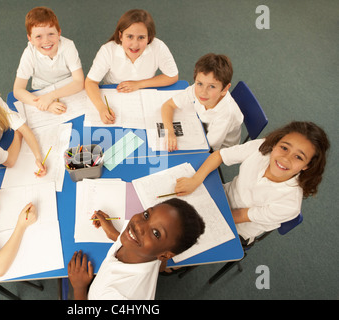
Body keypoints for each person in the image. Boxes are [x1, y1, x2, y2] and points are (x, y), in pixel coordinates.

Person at [174, 121, 329, 244]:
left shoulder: (289, 205)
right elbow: (220, 155)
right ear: (275, 144)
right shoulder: (262, 148)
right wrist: (195, 180)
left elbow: (240, 215)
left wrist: (200, 216)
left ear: (307, 165)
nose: (285, 158)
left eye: (299, 157)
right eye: (284, 148)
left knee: (177, 241)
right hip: (221, 195)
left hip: (237, 227)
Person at [68, 198, 205, 299]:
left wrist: (79, 287)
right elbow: (160, 267)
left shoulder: (116, 295)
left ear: (164, 255)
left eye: (156, 233)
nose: (138, 225)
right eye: (147, 215)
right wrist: (113, 233)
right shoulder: (153, 254)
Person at [85, 9, 178, 124]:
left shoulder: (158, 47)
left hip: (145, 93)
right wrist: (101, 108)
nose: (135, 44)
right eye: (129, 36)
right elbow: (90, 82)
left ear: (149, 38)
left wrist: (139, 84)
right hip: (114, 93)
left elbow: (172, 75)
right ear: (120, 36)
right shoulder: (108, 50)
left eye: (141, 37)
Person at [161, 53, 243, 151]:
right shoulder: (197, 90)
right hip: (201, 126)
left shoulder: (226, 114)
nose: (203, 92)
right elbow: (168, 105)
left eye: (212, 86)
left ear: (225, 89)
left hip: (218, 148)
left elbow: (208, 145)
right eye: (199, 83)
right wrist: (170, 132)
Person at [13, 6, 84, 115]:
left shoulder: (68, 46)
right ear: (30, 39)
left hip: (67, 88)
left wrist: (50, 96)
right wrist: (44, 104)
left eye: (51, 34)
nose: (46, 41)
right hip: (41, 91)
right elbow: (18, 90)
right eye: (38, 36)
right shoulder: (29, 53)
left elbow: (79, 82)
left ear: (59, 33)